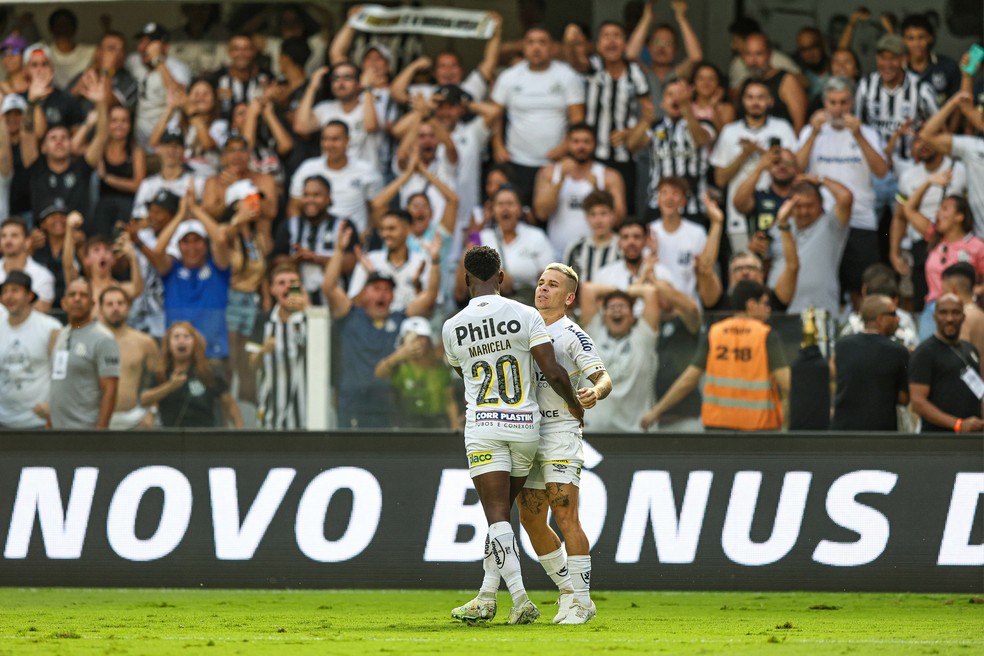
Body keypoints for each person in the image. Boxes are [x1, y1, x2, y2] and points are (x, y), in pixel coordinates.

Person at [443, 246, 583, 625]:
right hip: (526, 427)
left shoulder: (452, 326)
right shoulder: (526, 315)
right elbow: (552, 371)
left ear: (466, 278)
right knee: (502, 518)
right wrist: (575, 405)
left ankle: (520, 599)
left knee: (497, 517)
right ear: (501, 277)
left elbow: (465, 374)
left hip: (485, 427)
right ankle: (486, 596)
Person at [518, 263, 611, 624]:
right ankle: (568, 591)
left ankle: (583, 602)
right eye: (540, 282)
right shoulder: (524, 324)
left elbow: (603, 377)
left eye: (552, 285)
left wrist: (594, 393)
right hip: (527, 431)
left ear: (569, 297)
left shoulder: (572, 334)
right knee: (530, 518)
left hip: (560, 431)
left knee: (565, 513)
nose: (542, 289)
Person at [322, 225, 440, 429]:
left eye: (387, 290)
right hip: (351, 403)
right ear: (365, 293)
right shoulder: (350, 315)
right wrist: (339, 251)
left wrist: (435, 262)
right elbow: (329, 287)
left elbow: (429, 297)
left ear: (393, 296)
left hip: (387, 405)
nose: (382, 294)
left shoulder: (400, 318)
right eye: (376, 289)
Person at [641, 280, 789, 431]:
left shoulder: (715, 333)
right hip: (758, 429)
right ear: (751, 305)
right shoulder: (766, 336)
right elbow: (786, 383)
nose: (768, 309)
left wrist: (655, 412)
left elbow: (688, 380)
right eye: (765, 304)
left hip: (718, 428)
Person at [796, 76, 886, 306]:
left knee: (861, 288)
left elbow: (882, 171)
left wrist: (858, 136)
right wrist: (814, 133)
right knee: (824, 282)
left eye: (844, 102)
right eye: (833, 102)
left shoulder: (868, 132)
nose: (838, 109)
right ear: (824, 104)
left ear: (852, 103)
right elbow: (795, 168)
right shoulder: (811, 132)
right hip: (823, 221)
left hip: (861, 219)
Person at [491, 26, 585, 205]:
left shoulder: (567, 76)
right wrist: (497, 145)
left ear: (552, 48)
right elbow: (495, 114)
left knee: (551, 214)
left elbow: (577, 118)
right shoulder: (509, 77)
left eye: (542, 42)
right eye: (530, 42)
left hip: (555, 162)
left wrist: (565, 146)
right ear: (524, 47)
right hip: (517, 160)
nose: (536, 47)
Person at [710, 79, 797, 252]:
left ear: (770, 101)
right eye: (750, 97)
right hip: (739, 214)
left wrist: (765, 154)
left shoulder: (782, 128)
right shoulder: (730, 131)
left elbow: (795, 167)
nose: (755, 102)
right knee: (744, 268)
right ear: (742, 101)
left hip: (776, 210)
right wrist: (745, 154)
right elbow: (720, 180)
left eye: (760, 97)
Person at [533, 122, 626, 258]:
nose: (581, 146)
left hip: (595, 254)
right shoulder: (549, 173)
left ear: (594, 144)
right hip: (556, 253)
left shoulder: (609, 176)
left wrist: (597, 190)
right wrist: (559, 182)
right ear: (567, 143)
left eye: (586, 142)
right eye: (576, 141)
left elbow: (618, 218)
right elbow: (541, 214)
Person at [765, 178, 853, 315]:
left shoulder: (831, 226)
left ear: (821, 204)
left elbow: (846, 198)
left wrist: (819, 180)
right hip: (780, 310)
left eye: (810, 205)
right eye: (798, 206)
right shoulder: (779, 226)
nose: (804, 211)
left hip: (819, 310)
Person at [140, 321, 243, 429]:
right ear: (168, 345)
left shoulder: (208, 371)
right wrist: (170, 386)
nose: (181, 341)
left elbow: (230, 404)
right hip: (171, 437)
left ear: (195, 343)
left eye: (186, 337)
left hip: (204, 437)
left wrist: (240, 430)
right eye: (176, 337)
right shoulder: (161, 372)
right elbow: (144, 399)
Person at [288, 120, 383, 236]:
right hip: (314, 241)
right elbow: (294, 208)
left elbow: (377, 209)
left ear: (348, 141)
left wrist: (366, 234)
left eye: (335, 139)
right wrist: (298, 236)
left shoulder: (366, 171)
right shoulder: (307, 168)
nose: (329, 145)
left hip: (352, 243)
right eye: (325, 139)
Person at [274, 174, 358, 304]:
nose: (310, 200)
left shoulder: (343, 225)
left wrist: (315, 258)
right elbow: (276, 261)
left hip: (334, 300)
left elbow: (351, 263)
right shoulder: (289, 225)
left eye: (316, 195)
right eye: (306, 195)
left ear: (328, 198)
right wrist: (295, 259)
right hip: (297, 298)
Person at [830, 294, 910, 431]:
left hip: (842, 434)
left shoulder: (841, 346)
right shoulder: (899, 352)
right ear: (880, 318)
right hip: (881, 436)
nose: (898, 318)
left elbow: (833, 379)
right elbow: (904, 399)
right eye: (893, 313)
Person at [49, 278, 119, 430]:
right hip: (57, 430)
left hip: (86, 430)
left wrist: (100, 431)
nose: (77, 299)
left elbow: (110, 389)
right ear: (63, 303)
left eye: (83, 295)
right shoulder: (61, 335)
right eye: (72, 294)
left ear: (93, 304)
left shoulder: (103, 338)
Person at [909, 294, 984, 433]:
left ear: (963, 317)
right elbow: (918, 403)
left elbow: (980, 392)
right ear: (935, 316)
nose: (950, 319)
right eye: (943, 312)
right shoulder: (924, 352)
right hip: (939, 441)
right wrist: (958, 424)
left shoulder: (970, 349)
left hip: (973, 438)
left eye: (955, 312)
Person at [247, 264, 310, 430]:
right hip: (270, 408)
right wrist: (263, 351)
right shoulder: (263, 320)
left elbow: (323, 359)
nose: (288, 286)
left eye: (293, 282)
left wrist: (307, 310)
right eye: (281, 283)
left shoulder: (311, 320)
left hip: (305, 411)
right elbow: (252, 364)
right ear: (272, 289)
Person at [374, 315, 461, 430]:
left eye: (421, 337)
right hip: (407, 425)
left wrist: (455, 427)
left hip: (438, 425)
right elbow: (379, 374)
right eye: (412, 337)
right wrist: (399, 355)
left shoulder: (439, 367)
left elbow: (450, 400)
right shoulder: (398, 366)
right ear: (403, 340)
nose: (417, 342)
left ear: (429, 341)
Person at [0, 271, 61, 429]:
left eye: (15, 290)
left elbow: (62, 373)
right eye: (5, 291)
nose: (8, 296)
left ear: (29, 295)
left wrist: (53, 405)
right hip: (3, 421)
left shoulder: (51, 328)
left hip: (38, 421)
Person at [99, 286, 160, 430]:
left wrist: (152, 412)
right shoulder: (89, 341)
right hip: (96, 418)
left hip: (134, 419)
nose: (115, 308)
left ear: (128, 307)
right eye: (109, 304)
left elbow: (157, 381)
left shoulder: (145, 342)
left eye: (120, 303)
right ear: (100, 309)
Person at [739, 32, 807, 133]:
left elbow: (800, 124)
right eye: (748, 54)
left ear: (769, 55)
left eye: (759, 54)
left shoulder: (786, 80)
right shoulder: (746, 83)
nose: (753, 60)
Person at [562, 189, 623, 283]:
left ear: (613, 215)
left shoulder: (623, 246)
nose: (598, 220)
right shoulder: (575, 247)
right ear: (586, 217)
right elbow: (566, 284)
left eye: (603, 214)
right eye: (593, 214)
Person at [0, 216, 55, 312]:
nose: (8, 241)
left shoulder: (42, 275)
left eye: (14, 236)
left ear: (27, 241)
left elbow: (41, 310)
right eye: (3, 236)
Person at [941, 262, 984, 360]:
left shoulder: (963, 317)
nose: (941, 296)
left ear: (953, 290)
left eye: (943, 291)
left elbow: (958, 358)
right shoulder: (979, 313)